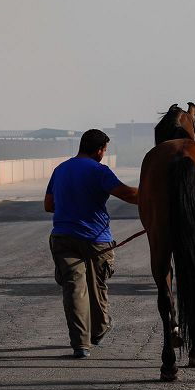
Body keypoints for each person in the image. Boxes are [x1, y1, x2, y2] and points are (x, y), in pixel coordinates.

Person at [44, 129, 138, 359]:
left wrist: (71, 205)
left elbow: (48, 205)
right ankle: (99, 329)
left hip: (63, 237)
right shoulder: (99, 171)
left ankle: (80, 345)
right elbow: (128, 195)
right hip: (96, 240)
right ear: (99, 150)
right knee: (97, 287)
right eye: (104, 150)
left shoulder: (60, 169)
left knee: (74, 289)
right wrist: (155, 193)